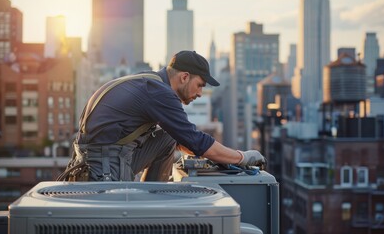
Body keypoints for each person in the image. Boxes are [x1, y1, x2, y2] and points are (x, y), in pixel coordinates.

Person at [58, 50, 265, 182]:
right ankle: (152, 203)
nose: (201, 93)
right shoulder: (159, 93)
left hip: (103, 159)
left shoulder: (149, 82)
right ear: (184, 77)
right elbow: (196, 141)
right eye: (200, 85)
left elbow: (183, 140)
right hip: (104, 170)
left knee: (168, 137)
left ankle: (153, 194)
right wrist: (241, 158)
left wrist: (212, 156)